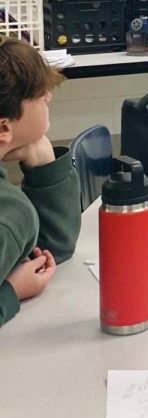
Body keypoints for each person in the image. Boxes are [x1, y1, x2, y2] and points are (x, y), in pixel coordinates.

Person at [0, 36, 81, 330]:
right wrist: (11, 293)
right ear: (4, 128)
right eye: (38, 93)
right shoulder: (10, 214)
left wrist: (42, 156)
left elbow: (50, 249)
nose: (48, 97)